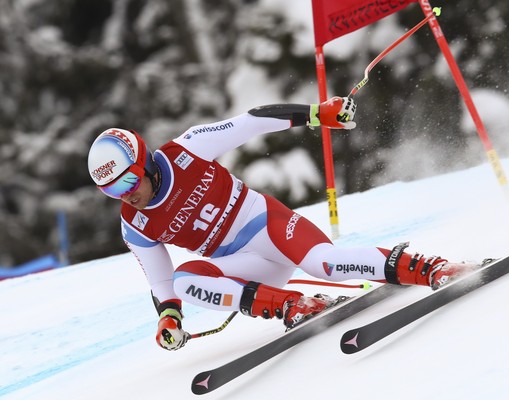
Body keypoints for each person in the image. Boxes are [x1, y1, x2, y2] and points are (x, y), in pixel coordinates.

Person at [87, 96, 480, 351]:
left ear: (146, 163)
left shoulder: (186, 150)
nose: (126, 194)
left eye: (127, 180)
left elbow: (252, 121)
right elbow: (160, 281)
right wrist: (169, 317)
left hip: (269, 227)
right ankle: (293, 304)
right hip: (246, 268)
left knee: (324, 264)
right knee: (186, 282)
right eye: (111, 191)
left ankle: (430, 268)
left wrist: (316, 114)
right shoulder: (134, 223)